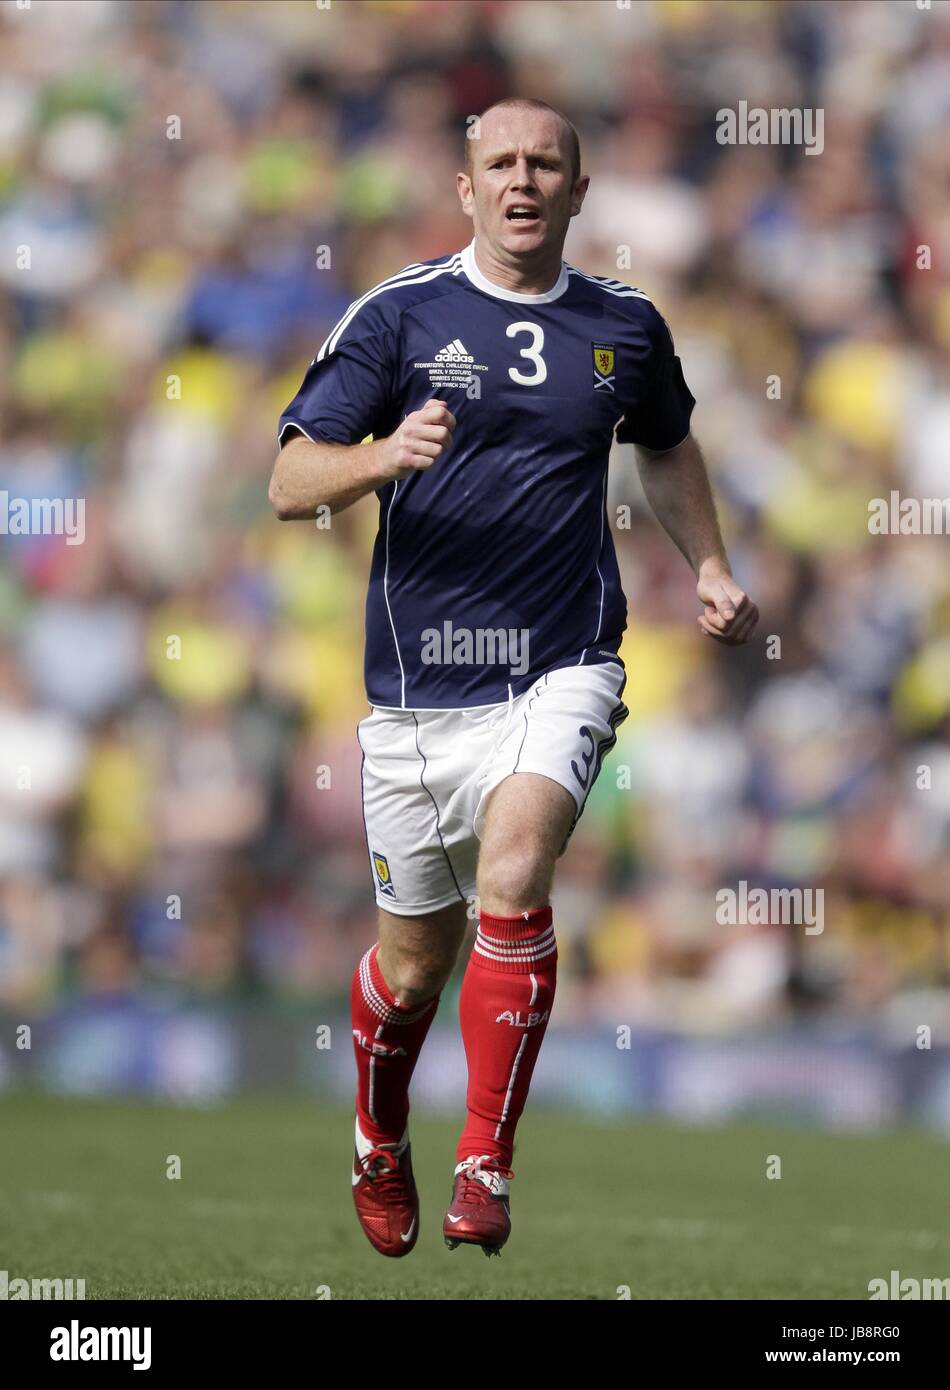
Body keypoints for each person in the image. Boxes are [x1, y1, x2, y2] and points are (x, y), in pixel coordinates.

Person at [270, 98, 758, 1259]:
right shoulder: (397, 317)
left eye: (546, 163)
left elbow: (666, 438)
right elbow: (289, 480)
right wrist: (382, 455)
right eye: (500, 162)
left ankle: (482, 1160)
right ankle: (377, 1134)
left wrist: (712, 565)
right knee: (409, 970)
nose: (523, 180)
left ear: (580, 192)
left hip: (563, 661)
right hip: (415, 694)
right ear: (465, 188)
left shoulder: (623, 325)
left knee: (518, 862)